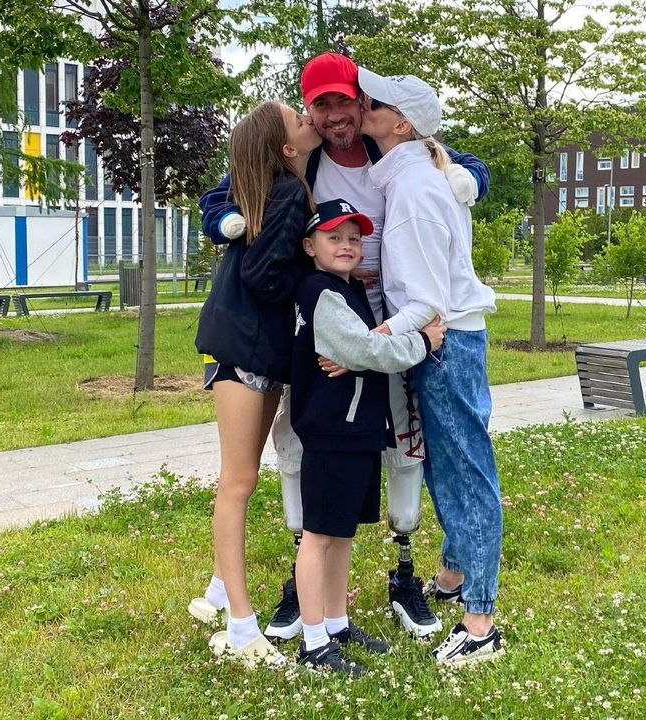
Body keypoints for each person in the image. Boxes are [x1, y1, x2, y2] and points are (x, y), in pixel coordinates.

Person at [193, 52, 490, 642]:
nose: (333, 115)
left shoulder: (389, 145)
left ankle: (403, 568)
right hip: (318, 320)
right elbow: (226, 193)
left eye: (344, 101)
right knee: (306, 442)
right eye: (319, 105)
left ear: (364, 104)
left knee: (399, 445)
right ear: (307, 112)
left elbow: (457, 159)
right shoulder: (300, 158)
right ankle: (304, 581)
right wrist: (227, 223)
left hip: (391, 317)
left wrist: (470, 180)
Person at [354, 67, 505, 666]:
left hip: (445, 343)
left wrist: (364, 342)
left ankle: (480, 623)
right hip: (451, 341)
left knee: (465, 473)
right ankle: (453, 574)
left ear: (401, 124)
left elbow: (425, 305)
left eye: (374, 102)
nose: (362, 105)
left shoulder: (414, 192)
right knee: (448, 466)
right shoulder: (415, 177)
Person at [289, 198, 445, 674]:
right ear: (309, 246)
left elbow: (361, 348)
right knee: (318, 536)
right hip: (331, 431)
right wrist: (423, 341)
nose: (347, 245)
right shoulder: (319, 291)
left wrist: (364, 349)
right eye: (334, 237)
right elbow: (365, 350)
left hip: (356, 431)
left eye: (354, 238)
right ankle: (313, 643)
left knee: (341, 534)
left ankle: (336, 623)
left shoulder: (347, 287)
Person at [191, 100, 319, 668]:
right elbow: (263, 275)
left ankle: (221, 588)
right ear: (286, 148)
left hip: (250, 348)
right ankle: (241, 628)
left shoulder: (268, 187)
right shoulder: (287, 191)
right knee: (238, 482)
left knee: (240, 477)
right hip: (245, 350)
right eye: (298, 119)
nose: (308, 118)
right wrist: (318, 275)